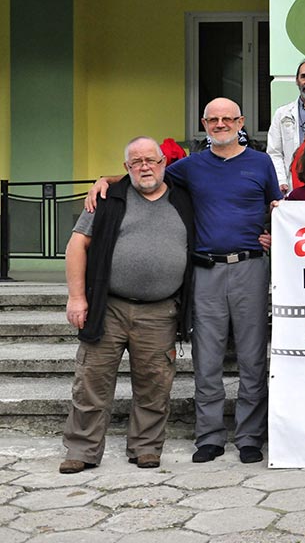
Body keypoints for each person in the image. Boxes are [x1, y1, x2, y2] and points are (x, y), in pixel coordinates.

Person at [86, 98, 282, 464]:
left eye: (228, 119)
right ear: (204, 124)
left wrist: (272, 232)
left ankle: (250, 437)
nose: (221, 124)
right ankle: (208, 436)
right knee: (206, 358)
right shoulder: (189, 167)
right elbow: (146, 175)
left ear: (240, 121)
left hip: (251, 268)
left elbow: (277, 209)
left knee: (254, 358)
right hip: (205, 271)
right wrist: (105, 179)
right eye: (213, 119)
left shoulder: (261, 163)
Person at [60, 137, 194, 474]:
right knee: (91, 382)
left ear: (165, 162)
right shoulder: (108, 198)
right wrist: (77, 297)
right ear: (126, 168)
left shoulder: (184, 199)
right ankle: (82, 450)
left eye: (151, 160)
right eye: (136, 162)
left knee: (154, 384)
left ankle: (146, 447)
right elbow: (77, 246)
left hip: (160, 310)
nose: (145, 167)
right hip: (109, 307)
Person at [267, 60, 305, 193]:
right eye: (303, 77)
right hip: (291, 184)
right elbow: (274, 152)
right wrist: (281, 181)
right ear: (297, 80)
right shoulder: (282, 113)